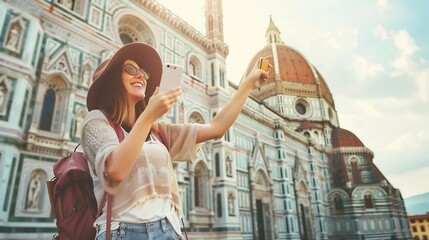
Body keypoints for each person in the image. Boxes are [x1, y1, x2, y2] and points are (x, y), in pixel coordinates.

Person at [81, 42, 271, 240]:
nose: (140, 75)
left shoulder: (158, 132)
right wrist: (148, 116)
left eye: (143, 72)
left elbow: (216, 128)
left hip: (169, 229)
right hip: (123, 232)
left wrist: (247, 84)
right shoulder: (97, 121)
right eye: (130, 69)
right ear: (112, 80)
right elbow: (115, 170)